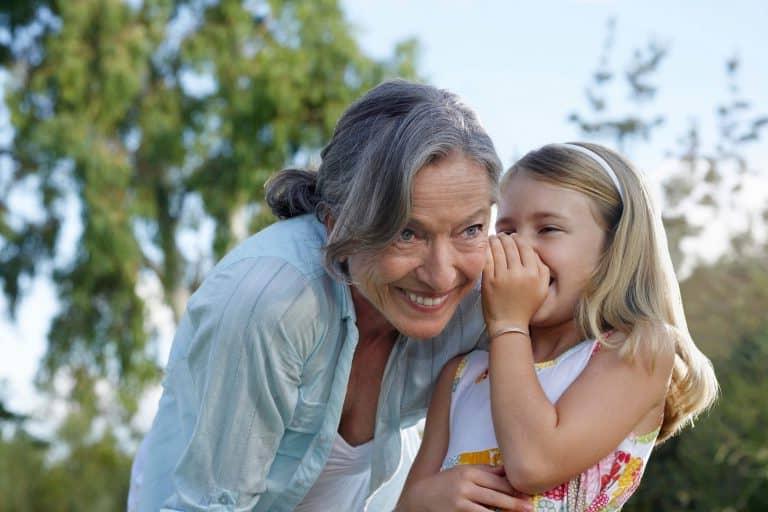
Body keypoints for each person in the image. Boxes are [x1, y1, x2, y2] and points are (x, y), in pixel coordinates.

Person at [127, 80, 534, 512]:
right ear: (335, 223)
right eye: (406, 233)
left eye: (470, 230)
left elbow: (603, 345)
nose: (441, 275)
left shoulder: (485, 294)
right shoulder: (271, 304)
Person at [397, 142, 719, 511]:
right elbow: (406, 503)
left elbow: (534, 464)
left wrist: (508, 323)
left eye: (548, 228)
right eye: (505, 230)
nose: (520, 247)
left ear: (612, 250)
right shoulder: (461, 376)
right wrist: (423, 500)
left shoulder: (638, 349)